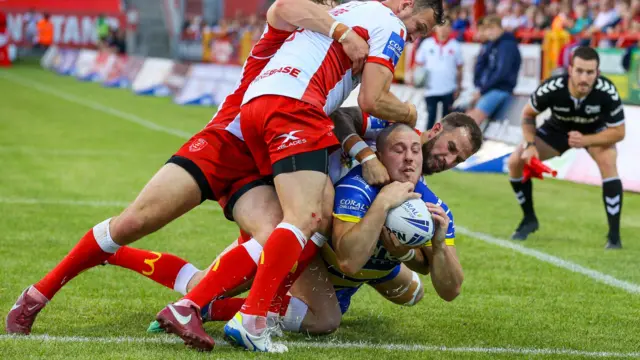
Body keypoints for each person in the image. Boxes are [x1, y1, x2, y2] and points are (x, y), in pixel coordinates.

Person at [5, 0, 369, 338]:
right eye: (328, 8)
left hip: (258, 167)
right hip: (222, 144)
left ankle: (196, 308)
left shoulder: (326, 64)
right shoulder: (290, 35)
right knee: (133, 222)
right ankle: (38, 294)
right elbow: (284, 6)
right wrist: (342, 30)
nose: (333, 14)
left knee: (274, 233)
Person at [156, 0, 444, 352]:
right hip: (295, 108)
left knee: (304, 220)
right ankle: (233, 314)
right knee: (307, 221)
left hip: (260, 108)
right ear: (406, 5)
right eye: (420, 28)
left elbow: (280, 11)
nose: (413, 38)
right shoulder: (390, 25)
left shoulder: (348, 11)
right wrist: (409, 114)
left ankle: (201, 304)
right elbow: (371, 99)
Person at [123, 112, 480, 335]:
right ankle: (126, 259)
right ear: (432, 130)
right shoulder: (386, 142)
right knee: (210, 284)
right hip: (309, 236)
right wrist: (365, 155)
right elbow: (343, 116)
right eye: (448, 146)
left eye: (456, 157)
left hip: (344, 251)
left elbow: (447, 287)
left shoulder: (428, 199)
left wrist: (424, 248)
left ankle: (223, 303)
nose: (445, 158)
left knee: (414, 293)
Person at [506, 46, 625, 249]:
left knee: (608, 161)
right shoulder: (552, 87)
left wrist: (586, 140)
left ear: (598, 72)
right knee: (515, 161)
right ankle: (529, 219)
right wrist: (530, 145)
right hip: (557, 130)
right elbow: (527, 114)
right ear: (569, 70)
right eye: (579, 71)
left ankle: (614, 237)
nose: (584, 78)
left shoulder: (607, 91)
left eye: (590, 72)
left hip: (593, 132)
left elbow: (619, 132)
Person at [467, 15, 521, 126]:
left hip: (499, 90)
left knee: (472, 121)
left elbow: (501, 73)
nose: (489, 32)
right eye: (486, 29)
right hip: (492, 89)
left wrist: (482, 90)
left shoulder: (506, 45)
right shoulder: (495, 44)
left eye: (492, 28)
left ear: (500, 28)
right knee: (470, 117)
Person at [414, 17, 463, 130]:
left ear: (451, 29)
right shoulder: (427, 44)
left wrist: (458, 87)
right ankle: (426, 145)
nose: (443, 29)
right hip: (430, 89)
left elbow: (460, 68)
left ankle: (443, 145)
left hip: (449, 89)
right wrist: (415, 78)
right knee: (431, 118)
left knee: (446, 121)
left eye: (447, 26)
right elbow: (418, 64)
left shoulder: (455, 45)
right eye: (441, 26)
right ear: (435, 28)